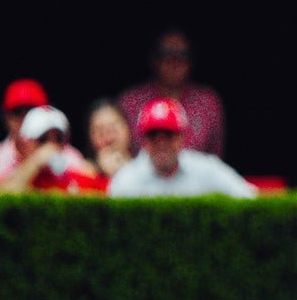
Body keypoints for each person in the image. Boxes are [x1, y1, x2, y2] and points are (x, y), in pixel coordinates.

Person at [109, 98, 256, 198]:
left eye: (169, 134)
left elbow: (249, 198)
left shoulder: (207, 169)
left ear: (182, 137)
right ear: (143, 140)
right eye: (153, 134)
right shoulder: (125, 180)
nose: (161, 142)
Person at [119, 28, 225, 158]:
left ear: (191, 61)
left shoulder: (207, 102)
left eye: (183, 55)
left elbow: (215, 157)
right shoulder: (130, 101)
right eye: (166, 54)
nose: (175, 61)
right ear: (154, 59)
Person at [0, 79, 85, 193]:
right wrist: (35, 163)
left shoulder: (70, 158)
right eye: (17, 112)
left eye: (32, 110)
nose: (25, 117)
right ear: (5, 116)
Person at [0, 106, 107, 195]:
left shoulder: (76, 177)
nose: (52, 146)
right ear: (25, 144)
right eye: (42, 139)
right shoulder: (7, 179)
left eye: (58, 139)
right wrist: (35, 163)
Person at [84, 98, 134, 181]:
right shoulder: (84, 173)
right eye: (101, 131)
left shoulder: (148, 169)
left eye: (114, 128)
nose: (109, 137)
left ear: (128, 128)